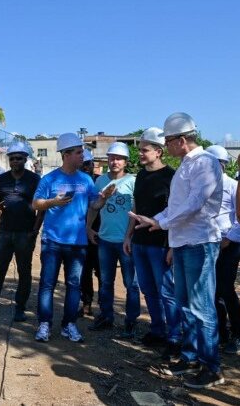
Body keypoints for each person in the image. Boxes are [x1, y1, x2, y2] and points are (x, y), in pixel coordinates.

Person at [131, 112, 224, 389]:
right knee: (185, 303)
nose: (166, 145)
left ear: (182, 140)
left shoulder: (206, 164)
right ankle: (190, 356)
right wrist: (157, 220)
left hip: (199, 242)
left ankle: (212, 367)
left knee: (202, 307)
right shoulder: (185, 165)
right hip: (182, 242)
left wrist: (163, 223)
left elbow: (195, 204)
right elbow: (175, 205)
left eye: (168, 140)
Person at [32, 133, 111, 343]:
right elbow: (35, 204)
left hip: (77, 244)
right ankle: (45, 324)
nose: (82, 157)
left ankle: (69, 325)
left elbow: (94, 205)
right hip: (52, 242)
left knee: (74, 285)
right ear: (65, 155)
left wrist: (103, 199)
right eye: (78, 153)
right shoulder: (49, 179)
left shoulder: (85, 180)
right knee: (47, 284)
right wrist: (52, 203)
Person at [124, 128, 181, 360]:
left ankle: (175, 338)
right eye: (140, 150)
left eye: (145, 150)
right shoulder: (140, 176)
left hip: (161, 244)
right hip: (140, 242)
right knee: (148, 289)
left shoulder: (172, 176)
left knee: (167, 292)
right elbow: (135, 209)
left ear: (159, 152)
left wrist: (172, 246)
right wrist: (128, 236)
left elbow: (177, 213)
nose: (141, 154)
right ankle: (157, 329)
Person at [0, 141, 44, 321]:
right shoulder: (2, 179)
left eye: (19, 158)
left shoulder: (35, 180)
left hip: (25, 233)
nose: (15, 161)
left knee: (24, 271)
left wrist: (35, 230)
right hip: (4, 232)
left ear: (25, 159)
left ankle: (20, 308)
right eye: (12, 158)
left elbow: (41, 208)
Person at [86, 142, 140, 338]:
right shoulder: (100, 181)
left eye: (119, 158)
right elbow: (94, 206)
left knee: (131, 284)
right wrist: (89, 227)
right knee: (106, 281)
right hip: (105, 240)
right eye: (111, 157)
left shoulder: (133, 181)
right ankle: (106, 316)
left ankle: (131, 321)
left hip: (125, 241)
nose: (114, 161)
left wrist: (128, 236)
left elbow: (136, 212)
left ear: (125, 161)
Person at [206, 145, 240, 355]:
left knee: (226, 289)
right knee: (213, 291)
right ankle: (221, 332)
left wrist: (229, 238)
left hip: (229, 245)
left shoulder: (234, 185)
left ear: (222, 165)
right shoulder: (207, 187)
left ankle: (239, 333)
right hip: (210, 244)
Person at [79, 149, 101, 317]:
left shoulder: (101, 182)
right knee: (84, 271)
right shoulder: (77, 183)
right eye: (84, 163)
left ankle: (104, 306)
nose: (87, 167)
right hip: (80, 234)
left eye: (89, 164)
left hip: (100, 233)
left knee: (102, 271)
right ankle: (86, 303)